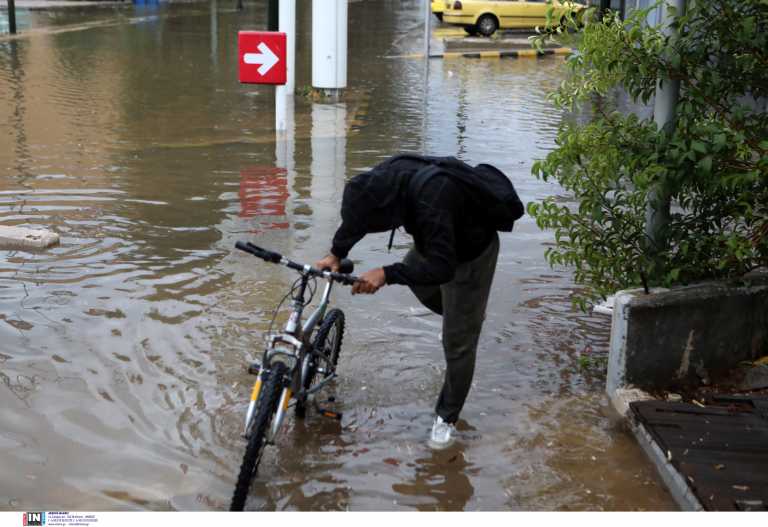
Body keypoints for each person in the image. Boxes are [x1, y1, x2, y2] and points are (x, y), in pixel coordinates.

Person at [315, 154, 523, 449]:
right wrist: (336, 252)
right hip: (434, 239)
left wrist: (386, 273)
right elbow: (356, 220)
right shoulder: (381, 183)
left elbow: (443, 268)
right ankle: (465, 314)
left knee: (458, 342)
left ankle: (446, 418)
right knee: (425, 286)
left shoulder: (431, 196)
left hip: (469, 253)